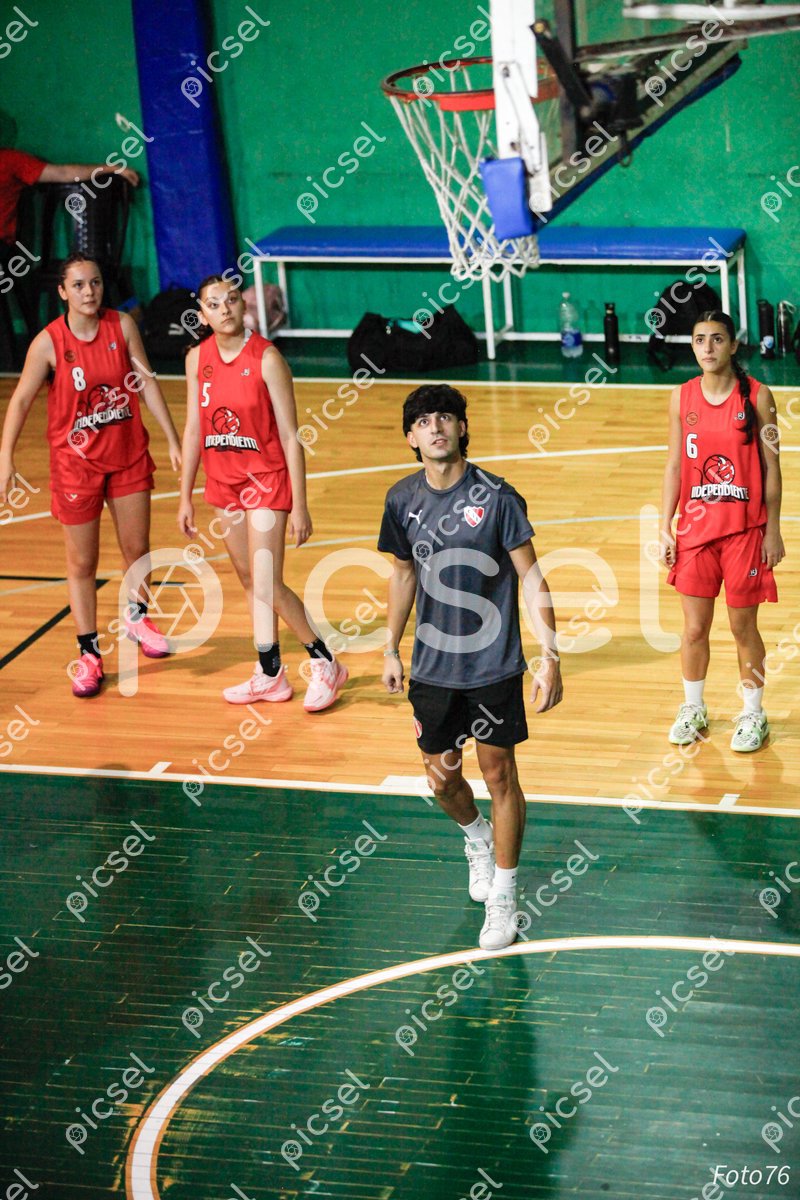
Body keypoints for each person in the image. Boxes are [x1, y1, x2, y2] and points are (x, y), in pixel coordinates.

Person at [378, 384, 562, 951]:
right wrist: (389, 647)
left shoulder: (498, 497)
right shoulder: (401, 499)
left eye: (445, 418)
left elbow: (532, 577)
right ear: (411, 438)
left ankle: (504, 895)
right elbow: (403, 574)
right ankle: (476, 835)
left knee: (500, 774)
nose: (435, 428)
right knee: (442, 778)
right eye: (423, 422)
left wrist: (550, 654)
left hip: (493, 665)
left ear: (462, 428)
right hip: (433, 668)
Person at [0, 253, 181, 696]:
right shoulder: (48, 342)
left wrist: (174, 439)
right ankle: (89, 654)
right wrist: (6, 458)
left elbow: (146, 381)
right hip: (75, 467)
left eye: (95, 283)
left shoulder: (122, 326)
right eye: (79, 285)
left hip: (128, 455)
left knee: (137, 549)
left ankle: (138, 620)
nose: (89, 292)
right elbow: (20, 400)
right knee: (83, 563)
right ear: (63, 291)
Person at [178, 276, 348, 713]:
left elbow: (291, 436)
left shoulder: (268, 359)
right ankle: (270, 674)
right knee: (250, 580)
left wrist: (300, 505)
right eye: (214, 304)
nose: (225, 308)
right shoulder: (197, 358)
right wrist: (185, 496)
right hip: (223, 483)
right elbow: (194, 429)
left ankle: (326, 662)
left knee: (267, 580)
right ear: (203, 315)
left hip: (266, 481)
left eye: (232, 299)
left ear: (243, 305)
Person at [659, 309, 784, 752]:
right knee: (694, 628)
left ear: (733, 345)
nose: (707, 348)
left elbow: (772, 468)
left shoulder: (759, 396)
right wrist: (665, 525)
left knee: (742, 627)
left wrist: (773, 530)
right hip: (695, 533)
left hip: (745, 532)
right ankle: (693, 708)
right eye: (699, 339)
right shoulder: (681, 397)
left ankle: (752, 713)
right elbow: (675, 465)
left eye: (716, 339)